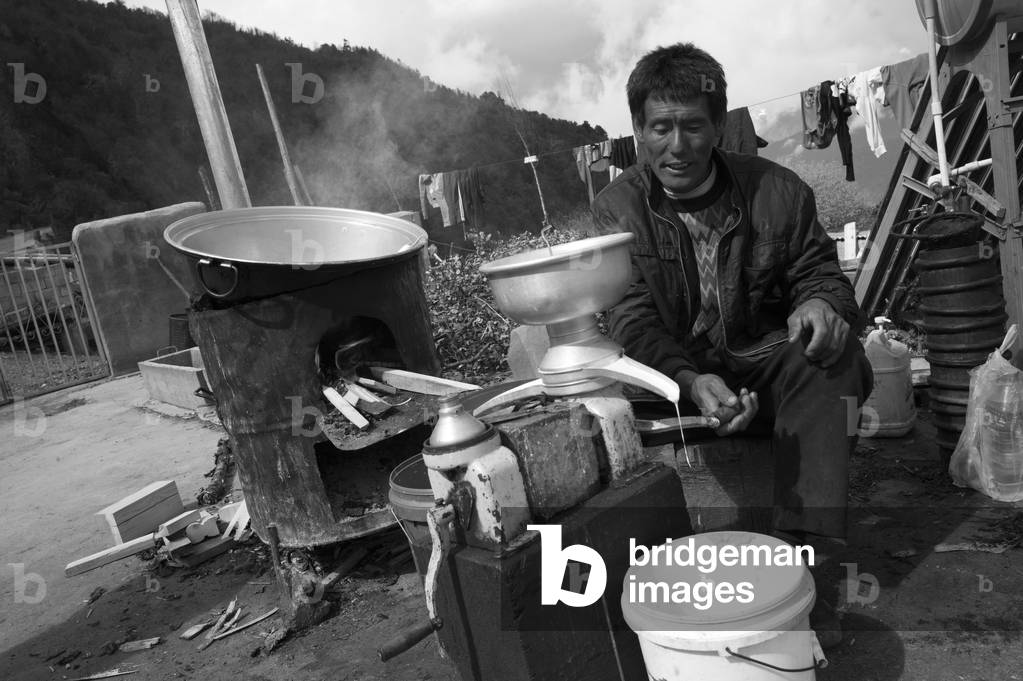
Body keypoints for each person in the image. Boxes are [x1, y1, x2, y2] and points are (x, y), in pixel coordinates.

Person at [591, 43, 873, 646]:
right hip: (673, 379)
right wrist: (692, 383)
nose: (678, 145)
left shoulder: (779, 191)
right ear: (638, 131)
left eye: (693, 125)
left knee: (834, 353)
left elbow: (821, 275)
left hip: (761, 361)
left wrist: (823, 304)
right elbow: (632, 319)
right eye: (660, 127)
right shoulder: (617, 209)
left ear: (719, 125)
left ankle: (805, 560)